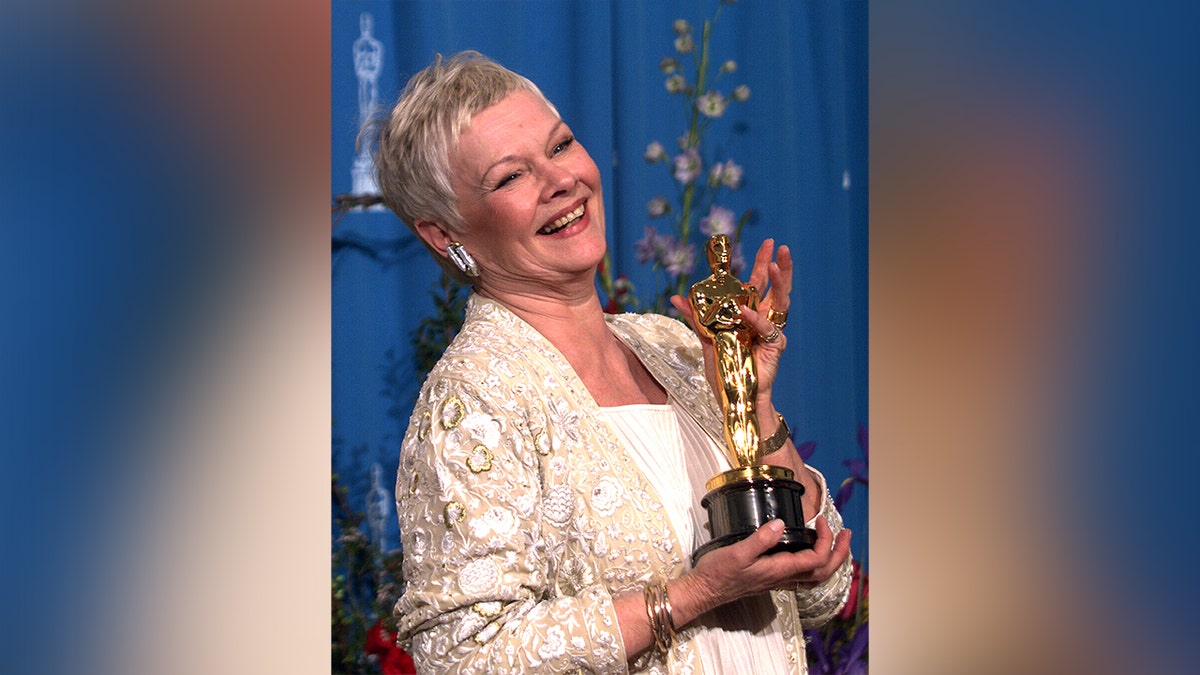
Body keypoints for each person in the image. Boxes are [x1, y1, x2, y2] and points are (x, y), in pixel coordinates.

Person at [374, 50, 853, 674]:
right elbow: (462, 657)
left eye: (561, 145)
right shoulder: (472, 401)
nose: (560, 181)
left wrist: (753, 405)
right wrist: (694, 594)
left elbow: (823, 592)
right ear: (445, 234)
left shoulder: (675, 347)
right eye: (510, 177)